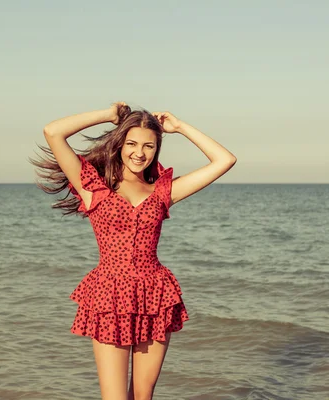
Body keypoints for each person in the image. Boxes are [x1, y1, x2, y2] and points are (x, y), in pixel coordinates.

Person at [33, 102, 236, 400]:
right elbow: (53, 132)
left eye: (149, 146)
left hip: (155, 293)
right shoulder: (93, 186)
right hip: (109, 294)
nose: (139, 153)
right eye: (131, 143)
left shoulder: (163, 192)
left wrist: (180, 127)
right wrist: (107, 115)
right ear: (119, 144)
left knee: (143, 395)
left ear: (157, 150)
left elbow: (225, 160)